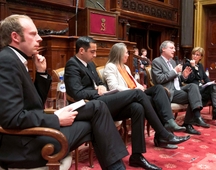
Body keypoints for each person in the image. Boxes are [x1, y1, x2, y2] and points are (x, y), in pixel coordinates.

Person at [0, 14, 128, 170]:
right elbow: (11, 118)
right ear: (15, 37)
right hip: (23, 145)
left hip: (31, 132)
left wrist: (41, 73)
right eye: (33, 34)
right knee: (96, 117)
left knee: (97, 108)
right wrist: (56, 118)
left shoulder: (15, 59)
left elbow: (34, 105)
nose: (39, 38)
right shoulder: (7, 61)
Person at [64, 36, 190, 169]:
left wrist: (101, 86)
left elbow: (100, 82)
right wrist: (97, 91)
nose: (95, 55)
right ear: (82, 50)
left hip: (102, 99)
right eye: (92, 52)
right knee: (138, 93)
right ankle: (163, 133)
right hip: (91, 105)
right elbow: (76, 93)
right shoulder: (72, 64)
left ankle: (137, 156)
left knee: (137, 108)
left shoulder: (89, 64)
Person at [103, 42, 186, 142]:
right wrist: (134, 91)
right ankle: (164, 136)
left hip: (136, 94)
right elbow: (114, 87)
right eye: (126, 53)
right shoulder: (110, 67)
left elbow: (133, 82)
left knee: (159, 89)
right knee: (156, 99)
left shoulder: (126, 67)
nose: (128, 55)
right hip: (126, 97)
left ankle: (169, 123)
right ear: (119, 53)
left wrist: (140, 87)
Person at [151, 40, 210, 135]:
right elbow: (159, 79)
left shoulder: (173, 62)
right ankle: (191, 121)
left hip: (178, 89)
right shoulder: (157, 61)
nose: (174, 50)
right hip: (168, 92)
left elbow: (177, 79)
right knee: (194, 96)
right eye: (171, 48)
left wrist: (183, 76)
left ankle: (195, 118)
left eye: (174, 48)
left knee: (194, 87)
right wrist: (174, 71)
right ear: (163, 49)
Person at [182, 47, 216, 129]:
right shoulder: (187, 65)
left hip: (201, 89)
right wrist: (193, 67)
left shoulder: (200, 66)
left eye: (197, 55)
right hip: (194, 91)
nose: (195, 56)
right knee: (215, 92)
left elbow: (205, 78)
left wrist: (212, 83)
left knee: (214, 87)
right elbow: (189, 79)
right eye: (194, 54)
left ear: (201, 57)